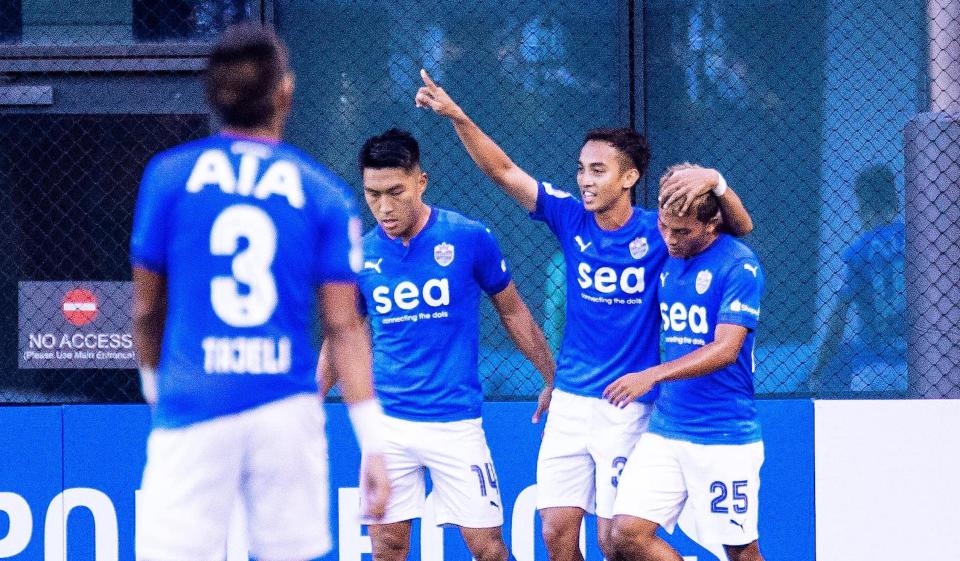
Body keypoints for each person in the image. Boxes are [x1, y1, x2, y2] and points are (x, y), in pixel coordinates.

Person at [415, 70, 753, 561]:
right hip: (570, 400)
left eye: (598, 170)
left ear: (630, 178)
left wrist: (717, 183)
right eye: (581, 169)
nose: (585, 180)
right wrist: (458, 116)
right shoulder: (570, 217)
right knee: (555, 532)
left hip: (626, 403)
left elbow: (737, 229)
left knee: (615, 541)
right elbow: (504, 171)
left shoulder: (663, 231)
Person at [130, 23, 389, 561]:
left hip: (194, 402)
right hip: (284, 411)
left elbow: (147, 309)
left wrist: (157, 387)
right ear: (285, 92)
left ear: (211, 95)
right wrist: (374, 443)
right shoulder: (323, 192)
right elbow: (344, 325)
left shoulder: (168, 177)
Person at [320, 128, 556, 561]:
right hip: (387, 425)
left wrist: (551, 376)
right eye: (373, 195)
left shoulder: (468, 237)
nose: (385, 208)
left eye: (396, 192)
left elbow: (514, 312)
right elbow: (343, 335)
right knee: (387, 548)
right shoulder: (359, 253)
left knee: (487, 549)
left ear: (421, 182)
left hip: (456, 424)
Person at [603, 163, 766, 561]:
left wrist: (653, 374)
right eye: (664, 227)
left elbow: (726, 349)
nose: (669, 240)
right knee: (625, 535)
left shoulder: (739, 264)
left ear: (712, 226)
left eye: (681, 232)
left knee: (740, 551)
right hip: (667, 427)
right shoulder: (667, 246)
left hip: (723, 433)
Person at [807, 164, 906, 394]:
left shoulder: (857, 253)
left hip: (872, 366)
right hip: (914, 364)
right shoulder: (919, 243)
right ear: (895, 201)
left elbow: (838, 320)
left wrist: (818, 370)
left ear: (862, 205)